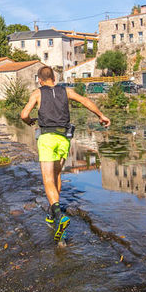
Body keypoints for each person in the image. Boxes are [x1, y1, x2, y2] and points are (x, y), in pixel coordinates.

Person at [20, 66, 110, 241]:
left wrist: (30, 121)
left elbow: (24, 114)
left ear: (40, 80)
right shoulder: (66, 90)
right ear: (54, 77)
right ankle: (54, 213)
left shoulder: (37, 93)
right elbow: (85, 101)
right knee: (57, 175)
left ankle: (58, 216)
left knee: (47, 179)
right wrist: (101, 115)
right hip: (64, 138)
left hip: (47, 138)